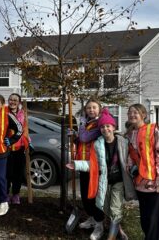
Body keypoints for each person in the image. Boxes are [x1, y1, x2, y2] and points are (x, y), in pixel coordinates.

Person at [67, 108, 136, 240]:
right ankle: (113, 230)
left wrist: (132, 165)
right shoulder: (98, 144)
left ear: (113, 126)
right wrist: (77, 164)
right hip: (104, 180)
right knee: (103, 206)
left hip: (118, 182)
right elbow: (93, 163)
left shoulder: (122, 142)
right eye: (103, 127)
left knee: (115, 208)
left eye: (108, 126)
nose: (105, 129)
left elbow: (131, 156)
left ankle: (112, 236)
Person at [125, 103, 159, 240]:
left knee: (153, 220)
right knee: (145, 218)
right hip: (139, 182)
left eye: (135, 112)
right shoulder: (130, 134)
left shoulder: (152, 130)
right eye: (130, 112)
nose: (132, 115)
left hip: (154, 183)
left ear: (143, 115)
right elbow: (131, 156)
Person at [73, 97, 105, 239]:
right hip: (83, 163)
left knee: (94, 196)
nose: (91, 110)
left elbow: (85, 138)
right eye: (88, 108)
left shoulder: (100, 124)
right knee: (86, 196)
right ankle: (92, 219)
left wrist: (80, 126)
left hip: (94, 165)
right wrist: (74, 136)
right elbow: (81, 139)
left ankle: (99, 225)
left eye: (94, 107)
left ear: (99, 109)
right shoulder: (88, 123)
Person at [6, 93, 29, 204]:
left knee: (18, 173)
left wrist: (27, 140)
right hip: (7, 147)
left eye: (15, 100)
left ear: (19, 102)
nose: (12, 102)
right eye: (11, 99)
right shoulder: (4, 113)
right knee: (7, 173)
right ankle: (5, 194)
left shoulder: (23, 114)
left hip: (20, 147)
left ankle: (16, 195)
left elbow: (25, 129)